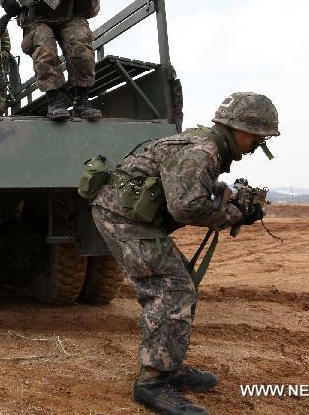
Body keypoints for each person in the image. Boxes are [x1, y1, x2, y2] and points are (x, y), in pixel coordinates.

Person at [90, 92, 280, 415]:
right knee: (172, 289)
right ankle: (152, 384)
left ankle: (169, 365)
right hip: (122, 218)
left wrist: (231, 206)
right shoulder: (203, 151)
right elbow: (185, 207)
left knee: (183, 285)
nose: (255, 147)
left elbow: (187, 196)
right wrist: (236, 215)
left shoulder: (208, 147)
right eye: (257, 139)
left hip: (134, 217)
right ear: (240, 130)